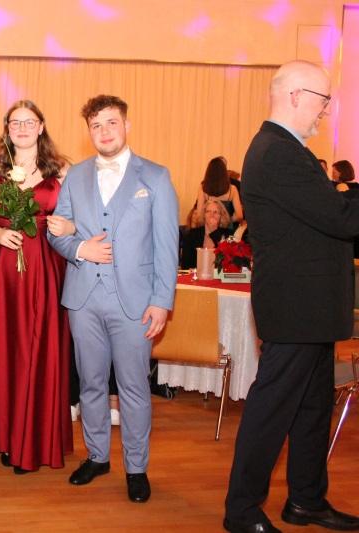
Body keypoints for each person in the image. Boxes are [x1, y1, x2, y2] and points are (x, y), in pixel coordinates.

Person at [223, 60, 359, 533]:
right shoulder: (278, 152)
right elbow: (342, 218)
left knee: (312, 411)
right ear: (296, 96)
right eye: (324, 100)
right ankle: (241, 511)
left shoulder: (287, 150)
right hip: (296, 308)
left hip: (310, 308)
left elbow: (332, 210)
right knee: (271, 411)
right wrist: (346, 195)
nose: (326, 111)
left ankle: (306, 501)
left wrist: (344, 193)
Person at [49, 94, 179, 502]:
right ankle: (97, 456)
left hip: (136, 303)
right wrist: (79, 248)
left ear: (126, 125)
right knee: (89, 382)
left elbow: (167, 245)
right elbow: (58, 231)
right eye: (96, 125)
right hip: (84, 299)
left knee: (133, 387)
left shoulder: (155, 177)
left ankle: (136, 468)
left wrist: (162, 301)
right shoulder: (76, 176)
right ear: (88, 131)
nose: (104, 132)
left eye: (111, 123)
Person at [0, 99, 74, 474]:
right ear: (7, 129)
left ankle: (33, 439)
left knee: (38, 349)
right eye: (15, 122)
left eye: (29, 121)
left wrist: (68, 226)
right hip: (1, 270)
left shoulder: (63, 169)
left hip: (45, 268)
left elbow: (79, 220)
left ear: (41, 126)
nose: (22, 128)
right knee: (5, 350)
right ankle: (6, 436)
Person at [180, 198, 232, 269]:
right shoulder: (192, 235)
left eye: (215, 212)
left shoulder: (228, 235)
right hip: (196, 274)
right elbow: (185, 265)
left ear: (221, 216)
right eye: (208, 211)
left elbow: (228, 262)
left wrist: (214, 232)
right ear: (204, 215)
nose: (212, 214)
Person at [196, 156, 243, 226]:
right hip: (227, 229)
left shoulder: (203, 188)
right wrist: (228, 220)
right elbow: (239, 216)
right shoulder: (232, 189)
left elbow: (199, 216)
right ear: (224, 171)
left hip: (209, 228)